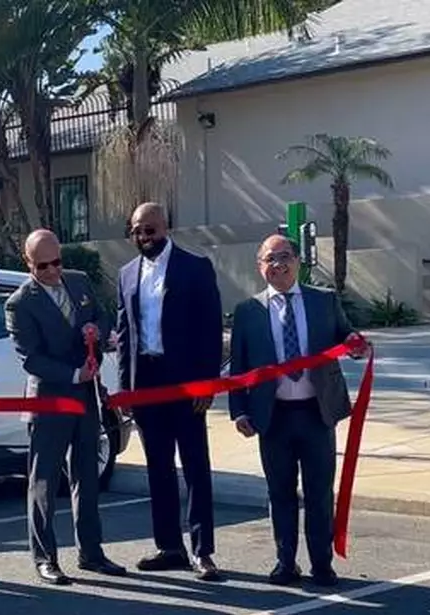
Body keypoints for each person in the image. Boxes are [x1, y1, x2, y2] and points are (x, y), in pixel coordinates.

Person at [227, 234, 369, 587]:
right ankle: (285, 562)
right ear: (260, 268)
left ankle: (322, 564)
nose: (278, 265)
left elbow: (346, 337)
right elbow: (239, 366)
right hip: (272, 415)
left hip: (316, 413)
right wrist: (239, 411)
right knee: (280, 492)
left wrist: (357, 346)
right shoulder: (248, 311)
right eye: (270, 259)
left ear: (298, 261)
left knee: (320, 492)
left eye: (285, 257)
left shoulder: (323, 301)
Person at [4, 229, 126, 586]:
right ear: (28, 263)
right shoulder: (19, 303)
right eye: (43, 266)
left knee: (87, 475)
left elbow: (103, 318)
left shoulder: (79, 281)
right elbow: (31, 359)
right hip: (50, 398)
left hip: (86, 396)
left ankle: (92, 552)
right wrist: (73, 373)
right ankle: (45, 558)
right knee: (44, 480)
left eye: (57, 262)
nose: (53, 271)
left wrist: (96, 330)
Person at [114, 202, 225, 581]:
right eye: (138, 231)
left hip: (186, 381)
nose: (145, 237)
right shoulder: (126, 274)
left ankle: (202, 551)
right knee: (158, 468)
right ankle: (169, 547)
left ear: (166, 227)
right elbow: (126, 333)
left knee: (195, 466)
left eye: (151, 230)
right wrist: (125, 390)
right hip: (147, 383)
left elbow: (211, 330)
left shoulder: (195, 267)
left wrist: (207, 381)